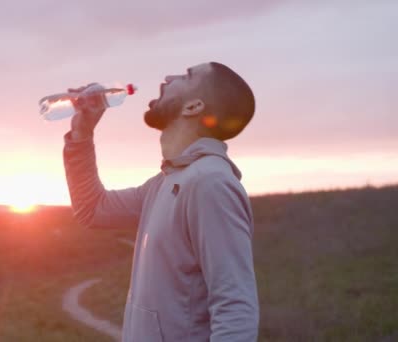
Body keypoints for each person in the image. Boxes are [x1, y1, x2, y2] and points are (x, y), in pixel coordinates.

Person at [63, 62, 258, 342]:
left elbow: (236, 307)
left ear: (194, 107)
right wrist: (82, 132)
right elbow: (92, 210)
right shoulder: (166, 182)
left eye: (187, 75)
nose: (168, 77)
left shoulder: (211, 183)